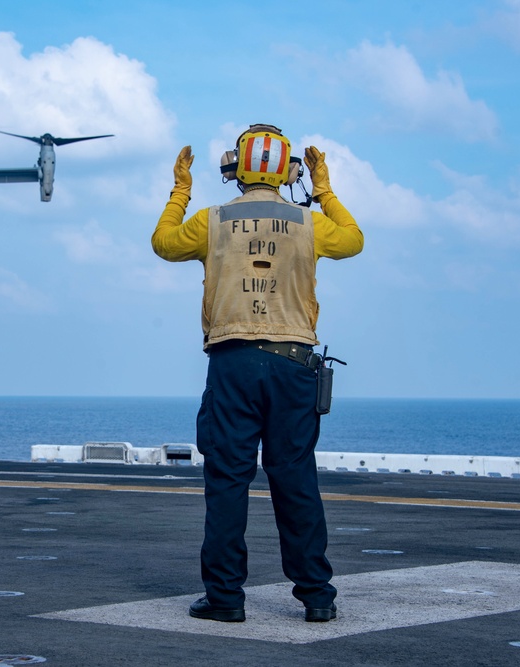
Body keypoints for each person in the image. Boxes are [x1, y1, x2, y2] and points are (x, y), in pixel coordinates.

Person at [151, 124, 363, 623]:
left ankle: (225, 599)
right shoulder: (309, 223)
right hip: (293, 364)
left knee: (227, 481)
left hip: (233, 363)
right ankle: (316, 597)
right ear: (288, 169)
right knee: (295, 479)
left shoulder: (213, 219)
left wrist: (181, 188)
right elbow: (353, 240)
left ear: (237, 169)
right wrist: (324, 188)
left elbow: (162, 242)